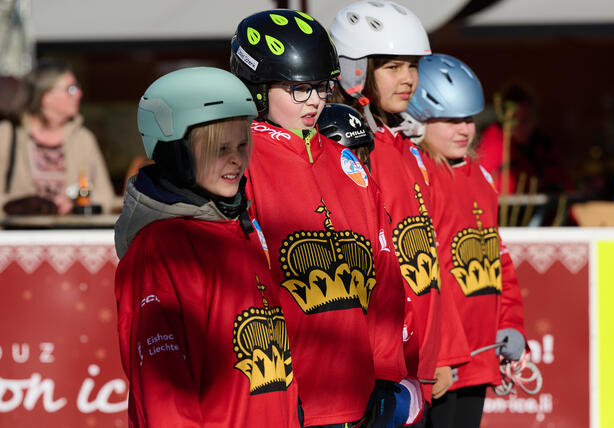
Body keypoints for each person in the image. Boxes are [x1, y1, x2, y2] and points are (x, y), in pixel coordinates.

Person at [230, 10, 411, 428]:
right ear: (257, 90)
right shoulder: (240, 166)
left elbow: (384, 277)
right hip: (282, 400)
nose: (314, 100)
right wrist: (271, 386)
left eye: (321, 87)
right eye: (297, 89)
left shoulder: (347, 164)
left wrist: (385, 372)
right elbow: (239, 295)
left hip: (357, 398)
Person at [114, 67, 301, 427]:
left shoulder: (240, 228)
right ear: (176, 153)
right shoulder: (162, 249)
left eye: (242, 145)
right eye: (220, 148)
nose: (236, 159)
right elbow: (164, 390)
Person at [330, 2, 471, 423]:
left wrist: (441, 351)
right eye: (393, 66)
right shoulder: (348, 151)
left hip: (419, 360)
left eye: (411, 65)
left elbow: (429, 259)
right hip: (377, 367)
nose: (408, 78)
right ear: (355, 69)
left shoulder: (407, 146)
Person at [404, 54, 528, 428]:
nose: (464, 129)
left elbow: (497, 258)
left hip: (480, 356)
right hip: (438, 362)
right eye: (450, 120)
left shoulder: (480, 177)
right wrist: (440, 353)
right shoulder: (419, 176)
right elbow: (422, 276)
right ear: (418, 119)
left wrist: (511, 321)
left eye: (469, 119)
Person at [0, 58, 116, 217]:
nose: (79, 94)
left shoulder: (83, 138)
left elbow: (105, 197)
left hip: (69, 236)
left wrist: (75, 204)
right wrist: (25, 207)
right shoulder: (7, 134)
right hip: (18, 237)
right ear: (45, 96)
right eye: (71, 89)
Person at [475, 84, 572, 195]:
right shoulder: (492, 144)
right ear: (504, 119)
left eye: (526, 119)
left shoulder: (544, 146)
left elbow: (565, 186)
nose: (520, 125)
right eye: (514, 119)